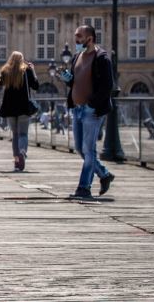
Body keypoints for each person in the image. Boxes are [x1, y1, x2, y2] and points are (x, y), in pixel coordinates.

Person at [61, 25, 116, 200]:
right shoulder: (77, 56)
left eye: (79, 36)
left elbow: (107, 86)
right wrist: (69, 80)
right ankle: (105, 174)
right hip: (77, 109)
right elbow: (77, 82)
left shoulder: (102, 58)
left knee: (89, 149)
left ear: (90, 39)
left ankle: (84, 188)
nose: (75, 40)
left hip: (91, 110)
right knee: (80, 148)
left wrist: (92, 105)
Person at [0, 51, 39, 172]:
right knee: (23, 134)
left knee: (15, 135)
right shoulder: (26, 71)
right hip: (24, 107)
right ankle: (22, 152)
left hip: (10, 108)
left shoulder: (5, 71)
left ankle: (17, 161)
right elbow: (36, 86)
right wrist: (33, 70)